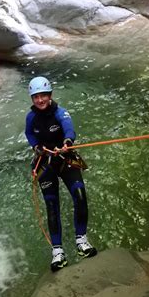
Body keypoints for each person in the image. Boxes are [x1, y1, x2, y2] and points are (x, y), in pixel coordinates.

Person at [25, 76, 97, 272]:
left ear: (50, 95)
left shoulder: (60, 113)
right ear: (32, 98)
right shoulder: (31, 117)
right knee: (51, 205)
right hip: (45, 162)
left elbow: (69, 128)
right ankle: (57, 251)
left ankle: (81, 240)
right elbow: (29, 133)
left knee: (80, 195)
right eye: (36, 97)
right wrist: (36, 146)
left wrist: (67, 142)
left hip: (64, 158)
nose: (40, 100)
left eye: (43, 96)